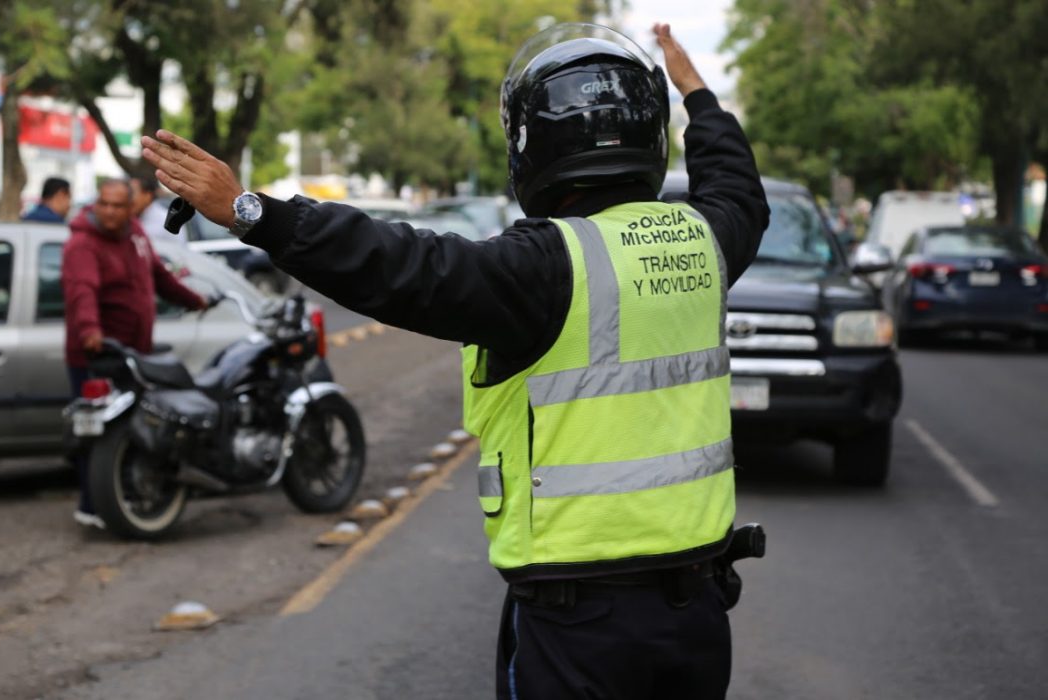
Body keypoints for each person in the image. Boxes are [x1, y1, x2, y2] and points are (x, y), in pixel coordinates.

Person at [143, 22, 769, 699]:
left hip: (583, 625)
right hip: (698, 617)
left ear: (534, 142)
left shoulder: (544, 266)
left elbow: (397, 265)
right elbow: (737, 189)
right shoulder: (705, 242)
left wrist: (248, 212)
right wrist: (699, 95)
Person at [61, 179, 207, 529]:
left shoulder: (136, 236)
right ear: (96, 205)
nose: (109, 211)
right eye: (104, 204)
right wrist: (90, 332)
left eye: (117, 205)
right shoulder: (83, 244)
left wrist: (193, 300)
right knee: (96, 433)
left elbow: (158, 277)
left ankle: (117, 500)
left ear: (131, 209)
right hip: (98, 355)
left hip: (134, 354)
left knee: (128, 431)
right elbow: (82, 292)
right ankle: (91, 505)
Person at [130, 174, 181, 243]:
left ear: (147, 196)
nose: (127, 199)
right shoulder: (133, 218)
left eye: (131, 193)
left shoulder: (163, 221)